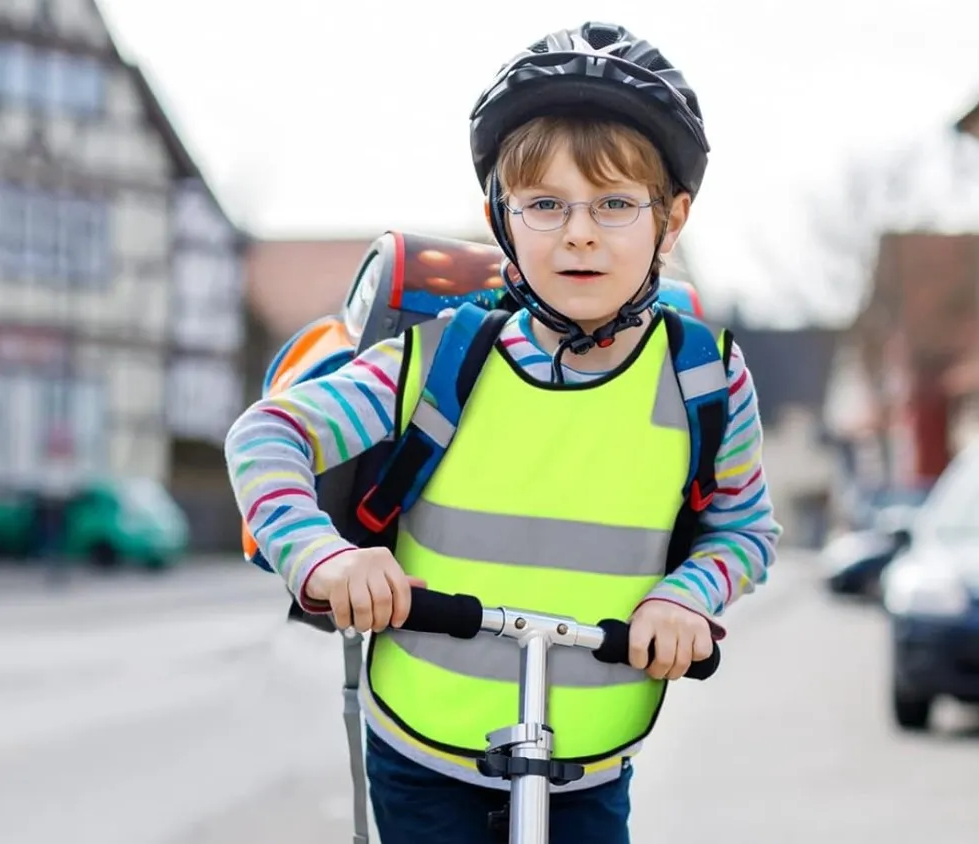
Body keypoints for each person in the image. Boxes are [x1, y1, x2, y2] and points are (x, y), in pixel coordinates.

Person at [224, 21, 782, 844]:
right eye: (545, 204)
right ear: (502, 217)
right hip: (421, 743)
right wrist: (324, 555)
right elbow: (267, 437)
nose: (580, 232)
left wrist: (686, 597)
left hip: (590, 759)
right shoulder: (439, 359)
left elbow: (743, 530)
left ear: (672, 220)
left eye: (616, 203)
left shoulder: (706, 376)